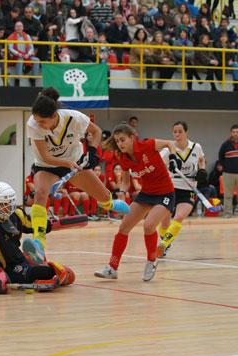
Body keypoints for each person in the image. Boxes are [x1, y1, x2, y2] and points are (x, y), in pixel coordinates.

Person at [23, 87, 130, 258]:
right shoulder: (33, 124)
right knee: (41, 193)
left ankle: (109, 204)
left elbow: (97, 131)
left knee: (103, 196)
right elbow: (45, 156)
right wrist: (67, 163)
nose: (39, 124)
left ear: (54, 116)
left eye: (42, 121)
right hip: (47, 165)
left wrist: (93, 151)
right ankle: (39, 242)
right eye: (36, 120)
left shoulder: (74, 118)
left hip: (76, 162)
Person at [94, 123, 180, 282]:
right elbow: (125, 183)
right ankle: (112, 268)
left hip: (165, 194)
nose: (120, 144)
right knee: (124, 227)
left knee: (148, 225)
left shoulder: (148, 145)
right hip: (146, 194)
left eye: (122, 140)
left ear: (132, 137)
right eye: (117, 141)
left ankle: (152, 260)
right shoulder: (123, 158)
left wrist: (174, 157)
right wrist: (120, 198)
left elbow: (170, 143)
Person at [0, 181, 75, 293]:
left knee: (42, 269)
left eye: (10, 202)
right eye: (6, 204)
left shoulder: (16, 214)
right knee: (40, 273)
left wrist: (48, 225)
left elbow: (30, 224)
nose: (10, 206)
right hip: (5, 267)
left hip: (18, 258)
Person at [157, 121, 205, 257]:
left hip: (188, 187)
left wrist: (202, 170)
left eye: (180, 131)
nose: (177, 134)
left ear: (186, 132)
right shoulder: (168, 150)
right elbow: (158, 165)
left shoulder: (196, 147)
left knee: (179, 217)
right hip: (170, 187)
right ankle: (165, 240)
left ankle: (164, 244)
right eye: (175, 132)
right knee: (165, 220)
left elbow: (201, 160)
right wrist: (166, 170)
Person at [218, 124, 238, 217]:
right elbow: (220, 157)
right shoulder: (225, 144)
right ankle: (227, 214)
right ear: (231, 133)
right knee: (228, 195)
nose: (235, 134)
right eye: (234, 132)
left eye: (237, 132)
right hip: (228, 173)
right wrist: (225, 166)